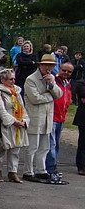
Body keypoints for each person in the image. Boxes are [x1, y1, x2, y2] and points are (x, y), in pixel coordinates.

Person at [22, 53, 63, 183]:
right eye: (46, 65)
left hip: (47, 117)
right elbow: (34, 98)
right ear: (41, 65)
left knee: (45, 146)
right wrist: (49, 97)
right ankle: (28, 172)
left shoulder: (51, 78)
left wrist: (51, 85)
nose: (48, 68)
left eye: (51, 66)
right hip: (34, 116)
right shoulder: (31, 79)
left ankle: (41, 170)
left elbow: (59, 94)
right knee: (32, 147)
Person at [0, 69, 30, 183]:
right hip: (6, 124)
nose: (13, 81)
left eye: (14, 79)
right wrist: (13, 121)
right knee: (1, 149)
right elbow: (1, 110)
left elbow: (22, 107)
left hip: (18, 125)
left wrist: (25, 120)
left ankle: (12, 172)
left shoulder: (17, 92)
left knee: (15, 150)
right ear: (3, 80)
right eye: (11, 79)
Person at [44, 61, 73, 181]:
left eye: (69, 71)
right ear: (59, 69)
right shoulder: (53, 80)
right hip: (52, 116)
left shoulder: (68, 84)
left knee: (56, 145)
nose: (65, 73)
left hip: (61, 117)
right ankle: (50, 168)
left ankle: (53, 166)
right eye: (64, 70)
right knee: (51, 144)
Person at [73, 74, 85, 175]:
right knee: (83, 142)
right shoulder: (81, 83)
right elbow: (82, 94)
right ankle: (81, 166)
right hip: (83, 117)